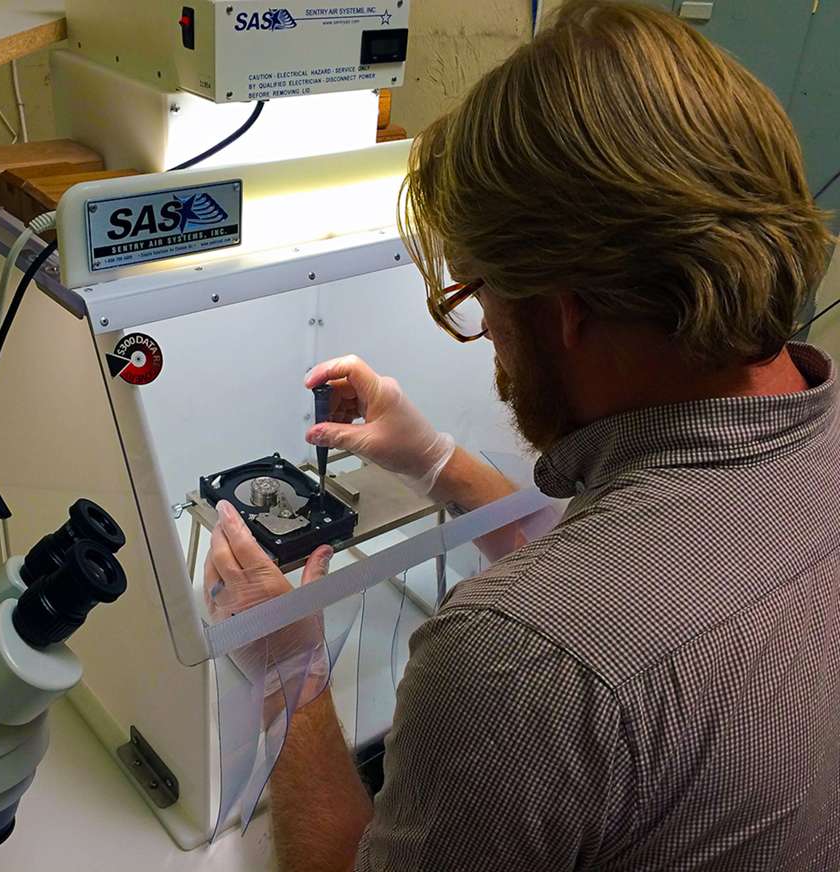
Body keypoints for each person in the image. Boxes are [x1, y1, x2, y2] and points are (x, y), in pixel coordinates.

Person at [204, 1, 840, 868]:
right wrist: (436, 462)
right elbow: (644, 566)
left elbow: (585, 625)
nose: (489, 337)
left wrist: (291, 681)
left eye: (479, 300)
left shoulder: (517, 665)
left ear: (565, 311)